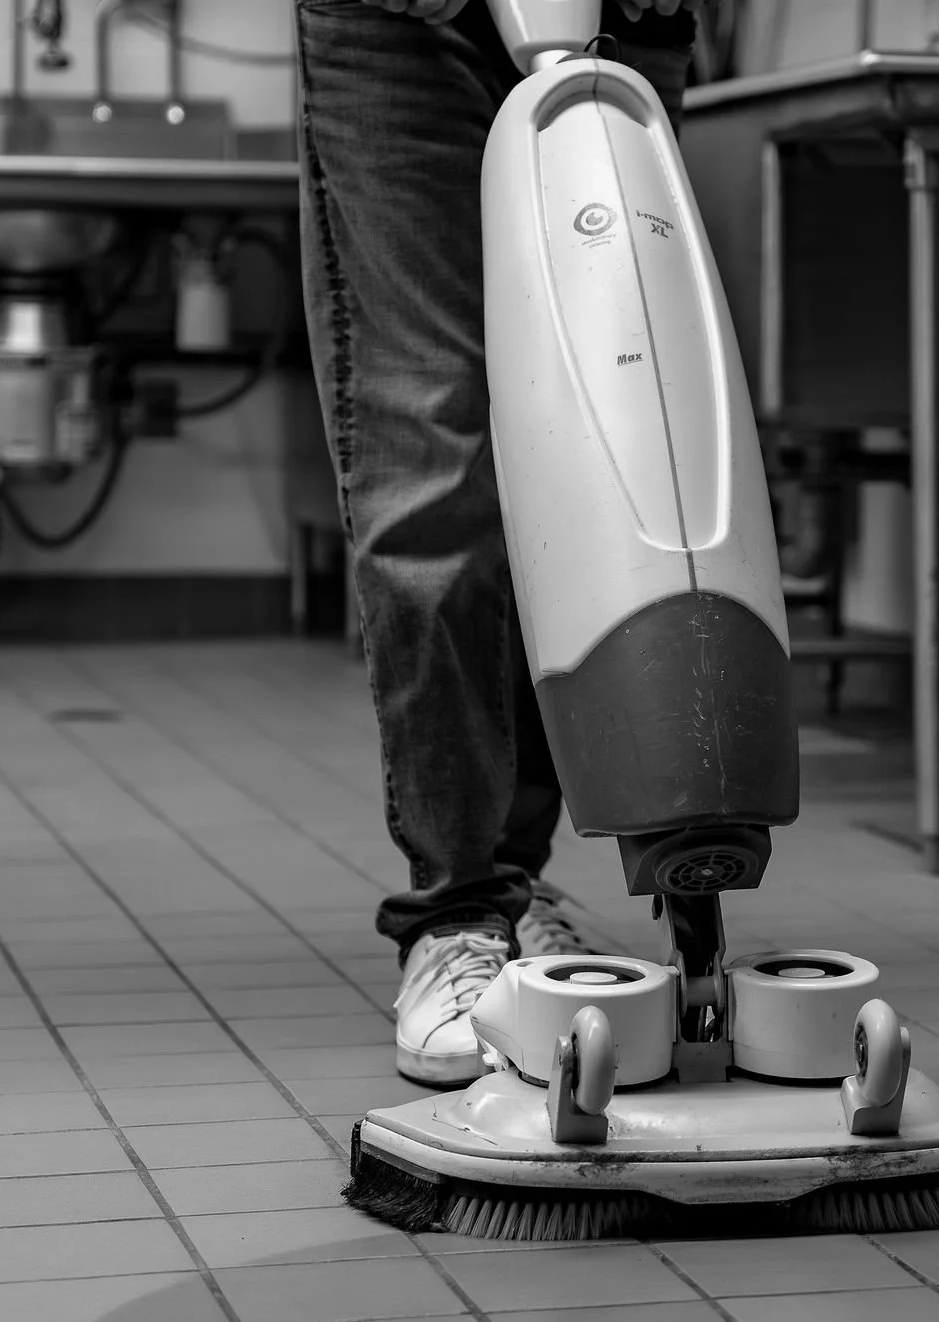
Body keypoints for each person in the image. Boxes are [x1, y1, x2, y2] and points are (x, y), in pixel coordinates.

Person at [293, 0, 702, 1085]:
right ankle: (459, 912)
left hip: (631, 17)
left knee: (621, 432)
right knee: (434, 448)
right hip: (396, 22)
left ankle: (519, 887)